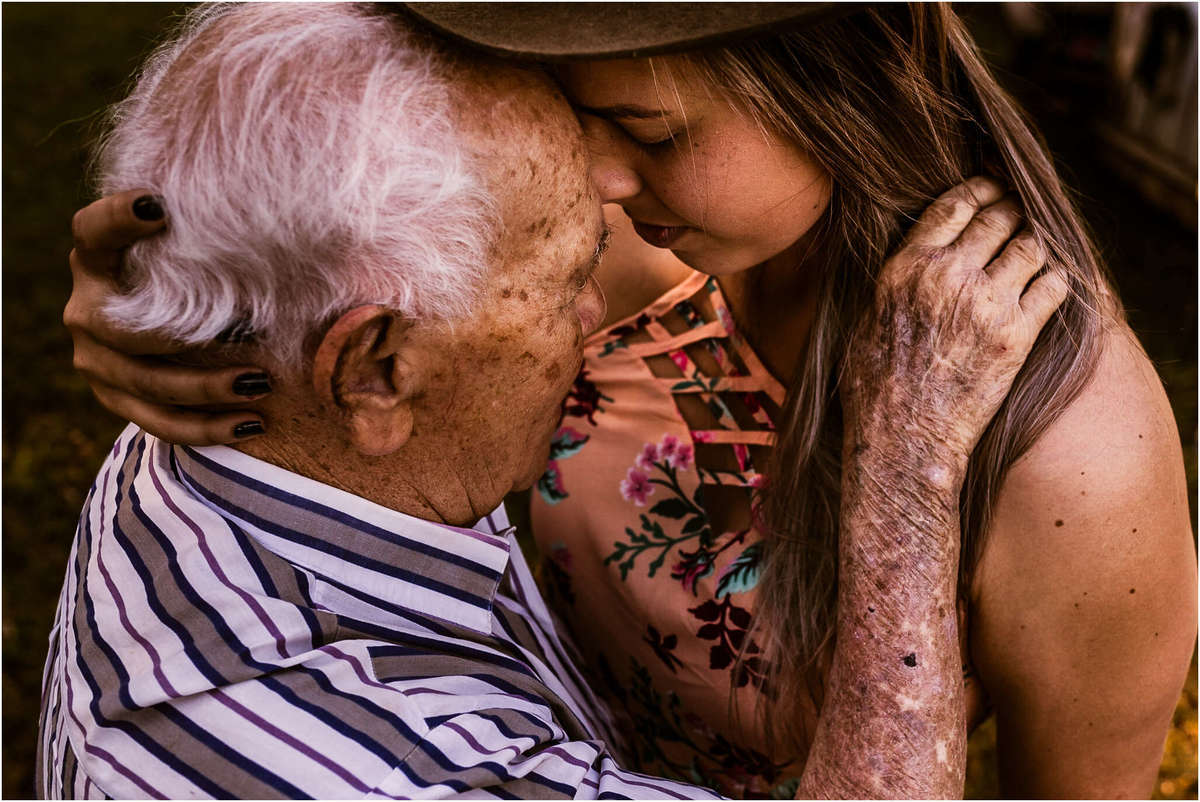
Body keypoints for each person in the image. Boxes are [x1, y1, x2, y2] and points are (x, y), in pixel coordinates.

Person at [60, 3, 1196, 799]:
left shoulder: (1065, 454)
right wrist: (174, 277)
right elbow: (311, 205)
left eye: (647, 131)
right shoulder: (593, 240)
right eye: (569, 112)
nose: (589, 180)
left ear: (841, 80)